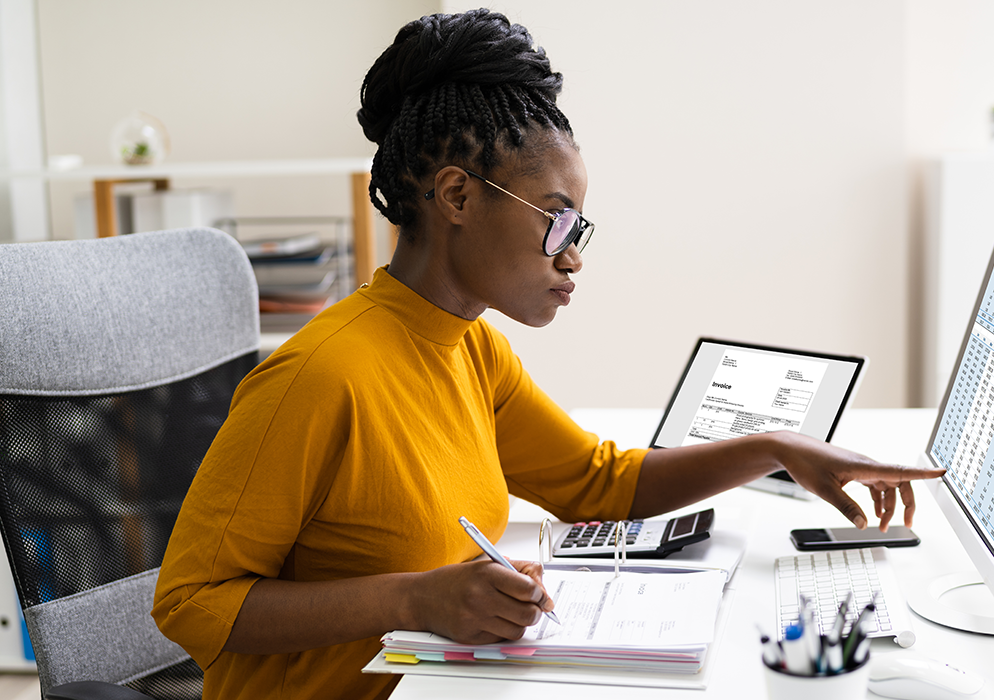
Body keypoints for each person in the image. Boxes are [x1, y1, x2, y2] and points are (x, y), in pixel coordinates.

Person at [152, 10, 943, 700]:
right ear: (458, 197)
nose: (573, 257)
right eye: (558, 220)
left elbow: (602, 484)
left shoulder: (474, 351)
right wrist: (415, 600)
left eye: (580, 229)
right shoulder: (318, 378)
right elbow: (190, 604)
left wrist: (778, 449)